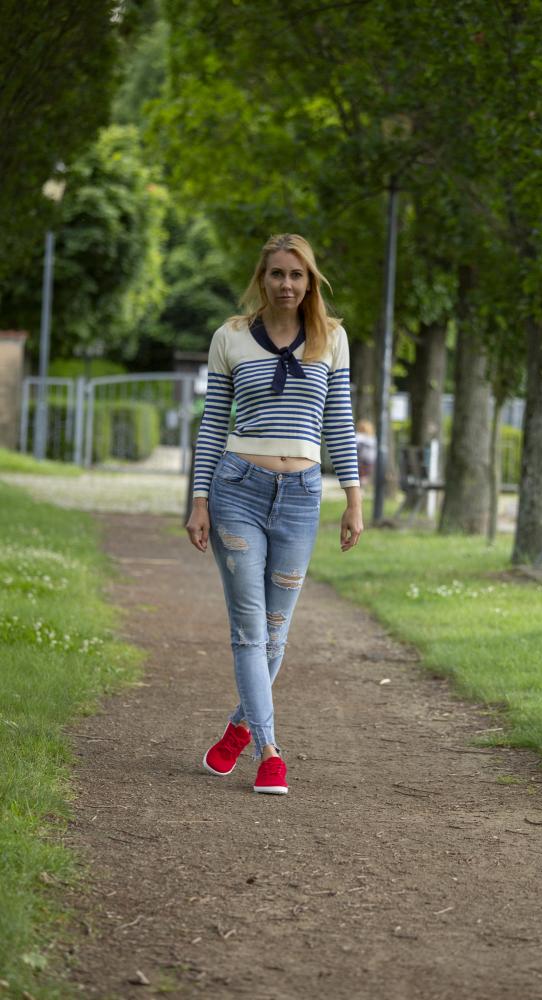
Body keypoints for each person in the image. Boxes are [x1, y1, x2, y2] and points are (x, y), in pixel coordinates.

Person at [185, 234, 363, 795]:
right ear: (261, 278)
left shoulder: (331, 339)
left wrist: (354, 501)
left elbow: (338, 422)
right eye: (277, 274)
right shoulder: (230, 338)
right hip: (238, 488)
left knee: (276, 632)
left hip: (303, 495)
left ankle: (238, 730)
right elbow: (214, 422)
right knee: (248, 628)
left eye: (297, 275)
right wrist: (199, 500)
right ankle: (270, 751)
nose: (287, 284)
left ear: (310, 281)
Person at [355, 418, 377, 487]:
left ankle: (361, 488)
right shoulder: (359, 436)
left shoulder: (371, 438)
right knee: (361, 477)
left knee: (363, 477)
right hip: (362, 460)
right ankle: (361, 488)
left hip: (367, 461)